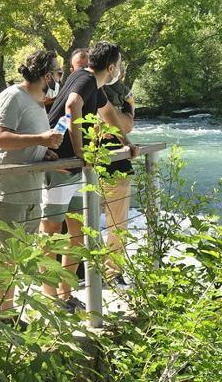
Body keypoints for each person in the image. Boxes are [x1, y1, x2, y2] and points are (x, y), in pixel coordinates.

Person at [39, 41, 138, 311]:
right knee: (51, 231)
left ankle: (65, 293)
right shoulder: (84, 79)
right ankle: (50, 296)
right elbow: (72, 105)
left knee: (76, 232)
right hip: (59, 164)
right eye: (117, 64)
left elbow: (109, 115)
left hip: (71, 168)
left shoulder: (95, 86)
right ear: (110, 66)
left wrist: (126, 142)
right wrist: (81, 152)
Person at [0, 50, 63, 325]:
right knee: (0, 259)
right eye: (58, 73)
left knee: (14, 260)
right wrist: (40, 138)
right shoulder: (12, 96)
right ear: (45, 74)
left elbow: (25, 142)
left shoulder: (38, 103)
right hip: (4, 191)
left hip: (28, 191)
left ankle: (8, 315)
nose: (59, 78)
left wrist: (42, 151)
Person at [99, 61, 135, 282]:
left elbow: (127, 125)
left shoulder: (121, 91)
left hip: (117, 161)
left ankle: (112, 271)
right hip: (82, 163)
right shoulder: (75, 92)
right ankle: (89, 269)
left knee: (118, 222)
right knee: (80, 221)